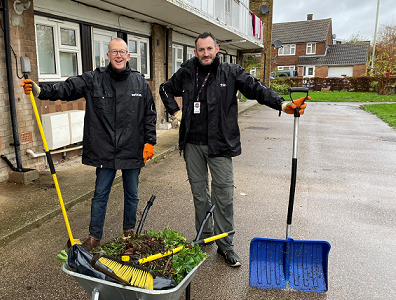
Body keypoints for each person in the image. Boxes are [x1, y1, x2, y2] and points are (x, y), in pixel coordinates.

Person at [159, 32, 307, 267]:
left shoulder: (231, 71)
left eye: (209, 49)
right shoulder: (187, 71)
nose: (205, 53)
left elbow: (256, 88)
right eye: (201, 50)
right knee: (199, 193)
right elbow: (165, 89)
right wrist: (175, 113)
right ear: (195, 51)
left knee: (224, 195)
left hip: (220, 144)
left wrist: (282, 103)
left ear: (216, 49)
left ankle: (225, 246)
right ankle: (205, 235)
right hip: (192, 144)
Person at [21, 38, 157, 251]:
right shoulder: (94, 79)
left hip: (132, 148)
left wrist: (150, 141)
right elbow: (67, 88)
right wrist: (41, 91)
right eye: (114, 52)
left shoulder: (140, 83)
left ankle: (129, 233)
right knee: (100, 195)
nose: (119, 55)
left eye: (122, 52)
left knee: (132, 194)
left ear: (128, 56)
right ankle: (94, 237)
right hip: (105, 149)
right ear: (108, 55)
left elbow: (150, 114)